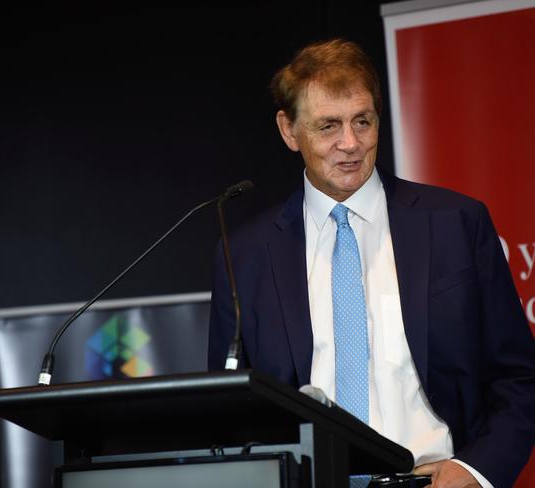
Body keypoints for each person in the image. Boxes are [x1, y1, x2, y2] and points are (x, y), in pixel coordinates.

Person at [207, 39, 535, 488]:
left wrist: (475, 471)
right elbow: (228, 411)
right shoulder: (244, 255)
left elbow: (519, 376)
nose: (350, 143)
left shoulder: (457, 223)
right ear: (288, 130)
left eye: (363, 121)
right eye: (328, 126)